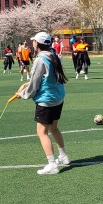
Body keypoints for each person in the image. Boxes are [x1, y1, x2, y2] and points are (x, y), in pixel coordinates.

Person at [16, 31, 70, 175]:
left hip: (47, 100)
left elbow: (35, 83)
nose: (32, 42)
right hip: (58, 97)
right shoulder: (54, 54)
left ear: (37, 43)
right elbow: (45, 78)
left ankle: (52, 164)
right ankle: (63, 156)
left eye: (34, 41)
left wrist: (23, 94)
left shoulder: (41, 59)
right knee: (54, 128)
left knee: (41, 132)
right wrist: (27, 85)